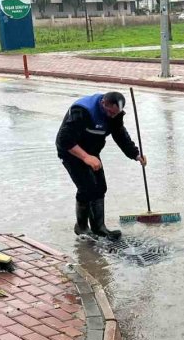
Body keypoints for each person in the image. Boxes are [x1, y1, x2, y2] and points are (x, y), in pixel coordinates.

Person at [56, 91, 146, 240]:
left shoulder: (115, 115)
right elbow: (64, 139)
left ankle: (99, 228)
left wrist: (136, 154)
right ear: (103, 103)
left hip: (92, 152)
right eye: (110, 112)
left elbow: (120, 135)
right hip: (71, 151)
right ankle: (81, 227)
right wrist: (85, 157)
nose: (112, 116)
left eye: (115, 114)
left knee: (100, 187)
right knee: (87, 187)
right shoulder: (82, 111)